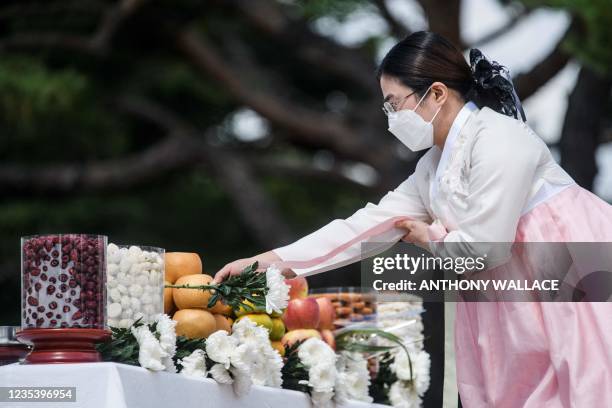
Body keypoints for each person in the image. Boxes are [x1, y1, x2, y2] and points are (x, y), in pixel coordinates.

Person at [213, 31, 612, 407]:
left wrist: (430, 238)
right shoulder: (431, 169)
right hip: (511, 296)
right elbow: (366, 226)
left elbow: (487, 248)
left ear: (436, 93)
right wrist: (272, 262)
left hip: (574, 274)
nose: (390, 116)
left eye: (394, 102)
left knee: (588, 388)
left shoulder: (501, 137)